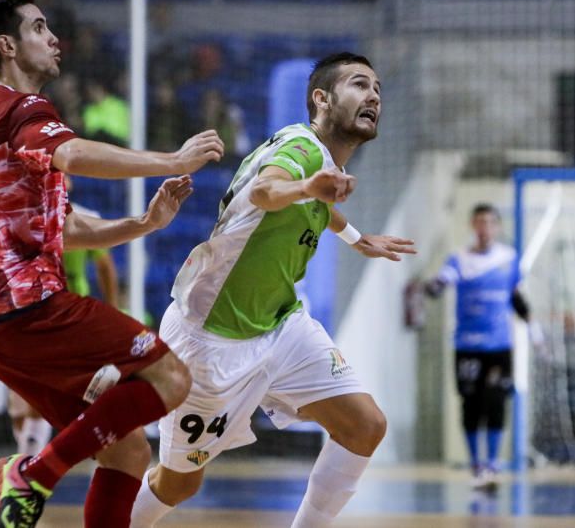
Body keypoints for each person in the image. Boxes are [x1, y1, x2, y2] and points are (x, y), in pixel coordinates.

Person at [0, 0, 224, 528]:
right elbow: (74, 152)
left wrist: (143, 225)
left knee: (127, 452)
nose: (54, 38)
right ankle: (35, 473)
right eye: (38, 28)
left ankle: (35, 470)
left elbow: (63, 226)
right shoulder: (22, 107)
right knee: (171, 378)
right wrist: (171, 160)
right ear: (6, 45)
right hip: (34, 311)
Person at [131, 53, 416, 528]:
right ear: (320, 100)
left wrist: (356, 237)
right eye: (359, 85)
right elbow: (267, 191)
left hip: (281, 326)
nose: (373, 96)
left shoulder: (318, 165)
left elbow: (322, 208)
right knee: (179, 483)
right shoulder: (302, 148)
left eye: (378, 89)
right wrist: (309, 187)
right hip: (209, 342)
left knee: (365, 425)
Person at [420, 203, 538, 491]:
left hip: (499, 346)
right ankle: (477, 466)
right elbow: (442, 282)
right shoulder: (459, 260)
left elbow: (517, 298)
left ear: (497, 227)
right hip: (467, 346)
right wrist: (432, 287)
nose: (485, 228)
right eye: (479, 222)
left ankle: (494, 466)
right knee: (471, 405)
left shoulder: (508, 259)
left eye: (490, 222)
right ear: (473, 226)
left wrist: (535, 331)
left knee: (496, 402)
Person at [8, 175, 123, 458]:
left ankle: (31, 460)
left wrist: (112, 310)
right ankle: (30, 452)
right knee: (20, 404)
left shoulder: (84, 218)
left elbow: (106, 268)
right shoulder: (22, 221)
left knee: (41, 387)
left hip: (68, 311)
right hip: (30, 312)